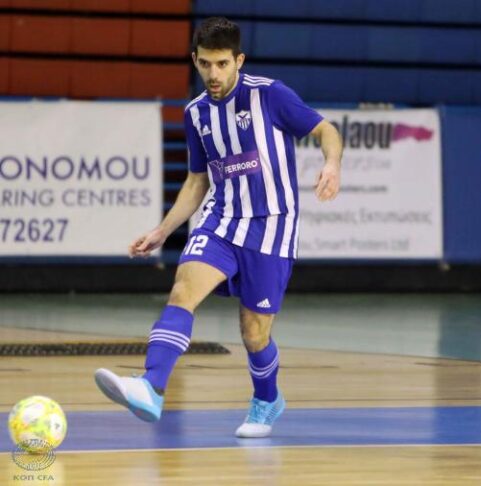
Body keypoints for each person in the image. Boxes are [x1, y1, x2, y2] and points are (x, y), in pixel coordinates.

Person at [94, 17, 343, 438]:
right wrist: (162, 230)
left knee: (254, 333)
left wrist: (332, 163)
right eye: (205, 64)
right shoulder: (195, 113)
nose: (213, 74)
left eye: (222, 64)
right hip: (221, 221)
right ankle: (150, 387)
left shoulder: (270, 96)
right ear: (195, 60)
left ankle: (267, 399)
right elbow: (197, 181)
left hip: (272, 227)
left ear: (238, 61)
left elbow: (325, 129)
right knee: (182, 291)